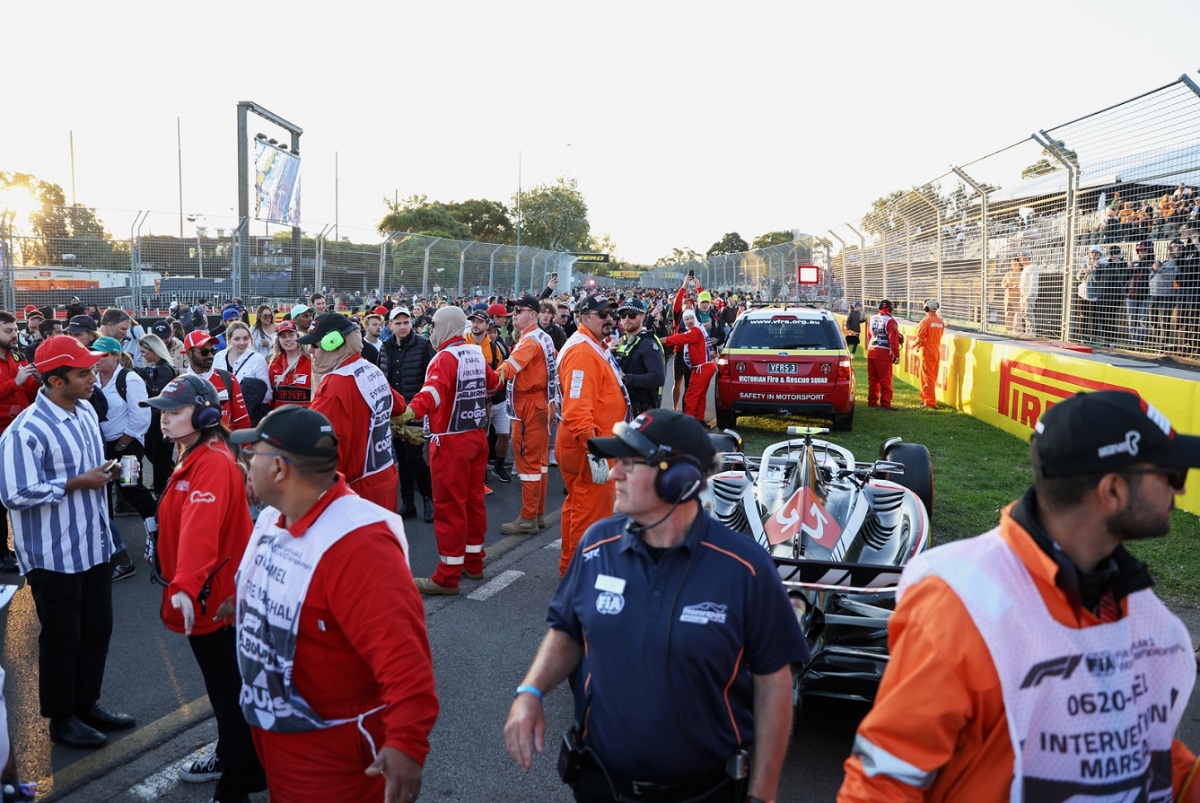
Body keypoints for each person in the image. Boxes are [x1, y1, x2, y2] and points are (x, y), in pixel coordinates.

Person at [840, 389, 1200, 802]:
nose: (1181, 491)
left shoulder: (1136, 605)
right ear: (1113, 491)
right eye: (1171, 476)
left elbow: (1139, 751)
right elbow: (882, 786)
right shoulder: (961, 603)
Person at [504, 409, 808, 803]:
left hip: (706, 792)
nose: (614, 474)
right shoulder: (597, 544)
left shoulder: (745, 568)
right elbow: (568, 629)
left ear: (679, 480)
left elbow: (774, 685)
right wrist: (531, 691)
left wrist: (763, 794)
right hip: (600, 785)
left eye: (630, 464)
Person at [230, 406, 438, 802]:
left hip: (335, 760)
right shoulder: (275, 516)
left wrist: (407, 745)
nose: (245, 463)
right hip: (280, 738)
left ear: (278, 469)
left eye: (250, 454)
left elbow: (406, 662)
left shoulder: (359, 546)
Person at [0, 335, 135, 749]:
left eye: (92, 369)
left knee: (98, 630)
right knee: (63, 639)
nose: (94, 378)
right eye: (84, 373)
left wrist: (106, 472)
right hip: (53, 554)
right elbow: (14, 493)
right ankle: (62, 719)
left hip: (93, 544)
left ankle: (87, 704)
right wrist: (78, 482)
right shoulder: (24, 431)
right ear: (56, 381)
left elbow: (87, 470)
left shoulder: (85, 413)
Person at [141, 375, 266, 801]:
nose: (164, 419)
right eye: (163, 411)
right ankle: (238, 762)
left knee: (231, 699)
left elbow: (201, 530)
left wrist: (186, 582)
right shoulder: (195, 454)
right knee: (228, 693)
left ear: (206, 415)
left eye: (174, 412)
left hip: (214, 601)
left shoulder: (211, 462)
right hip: (210, 596)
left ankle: (237, 786)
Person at [399, 306, 500, 595]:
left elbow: (431, 393)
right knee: (473, 503)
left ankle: (447, 576)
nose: (431, 331)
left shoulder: (444, 358)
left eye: (434, 326)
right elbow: (494, 383)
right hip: (477, 437)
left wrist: (409, 412)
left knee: (449, 508)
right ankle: (474, 562)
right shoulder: (473, 352)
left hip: (450, 442)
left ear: (445, 327)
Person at [555, 295, 631, 577]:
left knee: (579, 506)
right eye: (602, 314)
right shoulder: (583, 353)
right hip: (589, 445)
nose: (610, 319)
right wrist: (594, 450)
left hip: (595, 443)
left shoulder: (592, 345)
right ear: (584, 318)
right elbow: (576, 411)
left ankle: (572, 568)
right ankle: (578, 575)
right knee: (589, 511)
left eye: (612, 314)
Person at [299, 313, 407, 509]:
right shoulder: (370, 369)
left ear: (333, 343)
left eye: (315, 345)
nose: (310, 352)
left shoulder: (333, 390)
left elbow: (322, 455)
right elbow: (398, 406)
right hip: (386, 476)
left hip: (357, 493)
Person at [93, 335, 158, 580]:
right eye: (94, 355)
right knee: (105, 493)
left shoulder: (129, 378)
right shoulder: (95, 379)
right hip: (105, 447)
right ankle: (112, 548)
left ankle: (158, 530)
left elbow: (142, 417)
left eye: (102, 355)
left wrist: (122, 443)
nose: (97, 360)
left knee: (132, 487)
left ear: (116, 356)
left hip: (127, 446)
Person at [497, 295, 560, 536]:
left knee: (528, 464)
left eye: (518, 310)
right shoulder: (543, 337)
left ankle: (527, 518)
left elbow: (508, 369)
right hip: (544, 404)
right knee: (540, 463)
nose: (513, 314)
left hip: (530, 407)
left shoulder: (529, 342)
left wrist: (486, 378)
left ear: (532, 314)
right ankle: (537, 513)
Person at [378, 307, 435, 523]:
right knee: (401, 458)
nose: (402, 327)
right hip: (395, 413)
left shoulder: (422, 345)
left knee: (414, 457)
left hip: (417, 412)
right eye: (398, 323)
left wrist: (423, 408)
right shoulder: (386, 347)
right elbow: (383, 379)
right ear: (390, 325)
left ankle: (428, 498)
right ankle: (408, 502)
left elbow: (431, 378)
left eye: (406, 322)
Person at [0, 311, 40, 573]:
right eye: (8, 330)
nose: (15, 334)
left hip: (21, 434)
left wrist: (37, 383)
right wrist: (15, 382)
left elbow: (28, 393)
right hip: (1, 435)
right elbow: (13, 387)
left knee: (22, 490)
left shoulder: (17, 356)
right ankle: (2, 552)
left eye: (15, 329)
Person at [464, 306, 512, 484]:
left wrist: (492, 394)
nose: (475, 325)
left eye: (479, 322)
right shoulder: (462, 344)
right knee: (478, 438)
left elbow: (500, 372)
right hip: (472, 402)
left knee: (503, 435)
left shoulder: (493, 348)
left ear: (486, 324)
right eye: (473, 321)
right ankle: (479, 471)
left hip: (495, 400)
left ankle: (498, 467)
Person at [136, 333, 179, 496]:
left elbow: (157, 394)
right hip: (157, 420)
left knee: (160, 461)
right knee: (158, 459)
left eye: (143, 351)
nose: (142, 355)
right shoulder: (160, 367)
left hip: (162, 420)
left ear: (153, 350)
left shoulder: (164, 369)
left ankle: (164, 493)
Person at [181, 330, 250, 430]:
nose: (210, 355)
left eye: (212, 351)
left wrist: (243, 445)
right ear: (189, 354)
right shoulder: (179, 384)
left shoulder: (228, 379)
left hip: (225, 444)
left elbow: (242, 421)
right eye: (204, 352)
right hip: (194, 445)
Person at [612, 298, 665, 418]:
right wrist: (607, 351)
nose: (626, 318)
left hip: (641, 412)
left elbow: (658, 377)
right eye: (622, 315)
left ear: (642, 316)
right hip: (621, 408)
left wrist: (626, 378)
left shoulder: (648, 344)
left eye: (631, 315)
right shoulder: (621, 341)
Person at [662, 308, 715, 426]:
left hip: (702, 368)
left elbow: (678, 338)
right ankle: (699, 419)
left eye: (691, 318)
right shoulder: (699, 328)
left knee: (690, 397)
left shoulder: (695, 331)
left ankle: (687, 424)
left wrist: (661, 340)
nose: (689, 321)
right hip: (707, 366)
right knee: (700, 395)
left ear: (694, 318)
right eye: (686, 319)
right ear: (683, 322)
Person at [214, 321, 273, 425]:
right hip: (223, 415)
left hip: (249, 416)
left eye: (246, 338)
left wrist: (245, 397)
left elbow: (268, 394)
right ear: (229, 339)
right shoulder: (218, 357)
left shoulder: (257, 360)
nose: (242, 343)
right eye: (237, 339)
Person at [266, 320, 313, 408]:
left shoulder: (311, 361)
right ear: (278, 340)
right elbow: (271, 397)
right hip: (281, 417)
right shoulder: (274, 364)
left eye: (291, 335)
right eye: (283, 336)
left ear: (297, 336)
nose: (288, 339)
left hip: (305, 417)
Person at [866, 299, 901, 410]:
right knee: (885, 379)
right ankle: (885, 403)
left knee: (873, 379)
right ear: (890, 309)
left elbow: (869, 335)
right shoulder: (890, 321)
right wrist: (896, 355)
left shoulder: (872, 318)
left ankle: (872, 401)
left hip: (871, 350)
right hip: (883, 352)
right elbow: (893, 340)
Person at [913, 299, 945, 410]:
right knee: (931, 377)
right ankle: (925, 398)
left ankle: (930, 402)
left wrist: (913, 344)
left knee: (927, 378)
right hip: (936, 351)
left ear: (926, 309)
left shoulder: (925, 321)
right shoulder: (940, 322)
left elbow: (920, 338)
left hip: (927, 352)